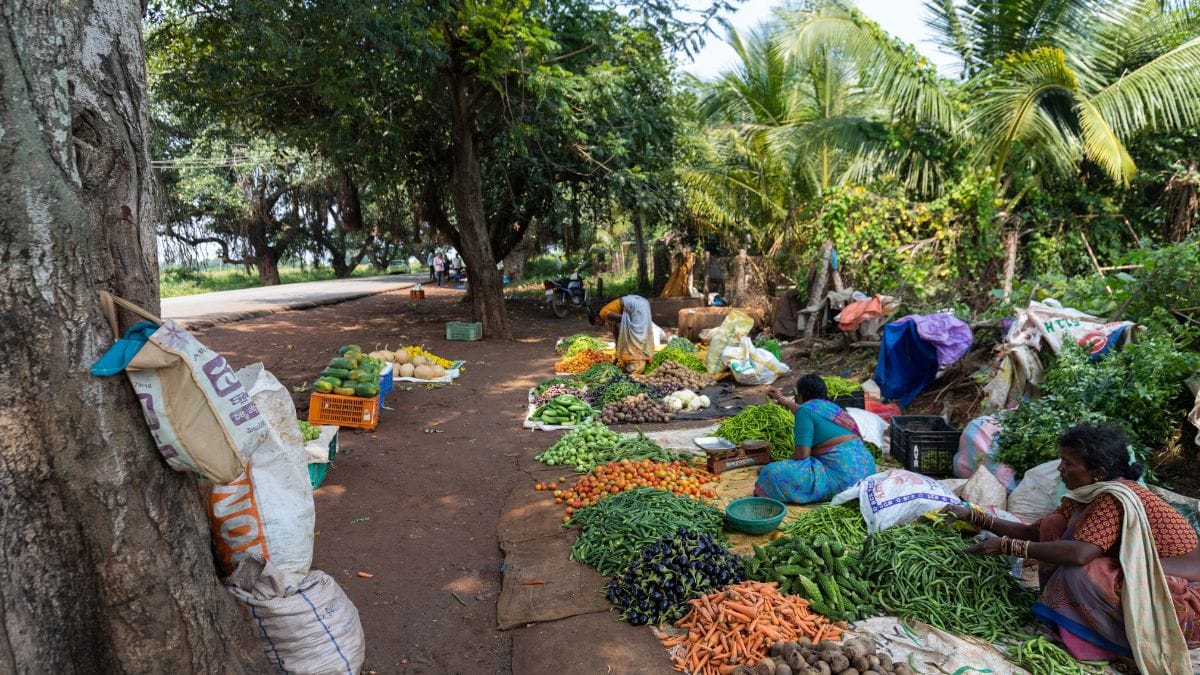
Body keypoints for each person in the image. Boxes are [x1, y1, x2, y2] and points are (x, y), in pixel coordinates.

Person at [944, 423, 1200, 672]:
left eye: (1068, 464)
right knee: (1053, 526)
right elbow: (1034, 532)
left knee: (1085, 571)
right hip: (1151, 583)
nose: (1060, 469)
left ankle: (1114, 645)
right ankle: (1072, 623)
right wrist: (976, 517)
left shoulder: (1115, 497)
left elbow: (1080, 554)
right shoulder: (1087, 495)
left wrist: (1008, 546)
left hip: (1180, 602)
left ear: (1098, 472)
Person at [752, 375, 877, 504]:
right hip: (867, 471)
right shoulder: (831, 408)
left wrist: (784, 463)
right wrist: (781, 398)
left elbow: (802, 455)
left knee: (771, 472)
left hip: (845, 480)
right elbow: (804, 410)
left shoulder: (805, 412)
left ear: (801, 395)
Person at [590, 295, 662, 373]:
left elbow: (624, 319)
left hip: (636, 305)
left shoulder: (602, 314)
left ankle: (637, 366)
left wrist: (627, 337)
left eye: (596, 323)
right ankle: (643, 360)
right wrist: (617, 357)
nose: (598, 325)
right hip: (641, 302)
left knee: (635, 338)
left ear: (596, 318)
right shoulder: (609, 318)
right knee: (637, 337)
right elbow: (616, 335)